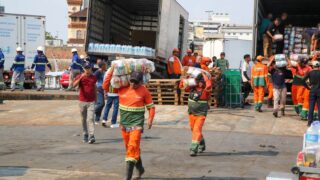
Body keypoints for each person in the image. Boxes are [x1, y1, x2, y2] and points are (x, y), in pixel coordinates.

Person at [103, 69, 155, 180]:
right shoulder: (121, 88)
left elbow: (151, 107)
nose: (133, 84)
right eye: (131, 81)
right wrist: (111, 71)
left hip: (137, 125)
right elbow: (105, 86)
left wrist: (150, 119)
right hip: (124, 125)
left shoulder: (144, 91)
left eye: (136, 82)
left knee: (132, 148)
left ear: (141, 82)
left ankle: (127, 177)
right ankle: (140, 169)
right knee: (131, 149)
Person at [179, 73, 212, 156]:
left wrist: (204, 75)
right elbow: (182, 86)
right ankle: (202, 144)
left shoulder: (206, 89)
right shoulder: (192, 88)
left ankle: (193, 149)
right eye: (199, 81)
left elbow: (209, 85)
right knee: (193, 129)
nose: (200, 83)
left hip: (201, 113)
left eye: (202, 82)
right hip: (192, 112)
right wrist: (185, 78)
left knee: (196, 129)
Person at [73, 62, 97, 144]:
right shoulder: (80, 76)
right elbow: (74, 85)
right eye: (86, 68)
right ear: (84, 69)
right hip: (82, 101)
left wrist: (96, 97)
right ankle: (85, 134)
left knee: (90, 118)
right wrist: (81, 78)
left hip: (91, 101)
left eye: (89, 68)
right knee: (83, 119)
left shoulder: (94, 77)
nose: (87, 70)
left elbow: (94, 87)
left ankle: (92, 135)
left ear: (91, 69)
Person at [303, 61, 320, 126]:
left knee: (311, 107)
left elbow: (303, 80)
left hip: (312, 90)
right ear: (319, 66)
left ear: (313, 66)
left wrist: (307, 87)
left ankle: (309, 122)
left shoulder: (310, 73)